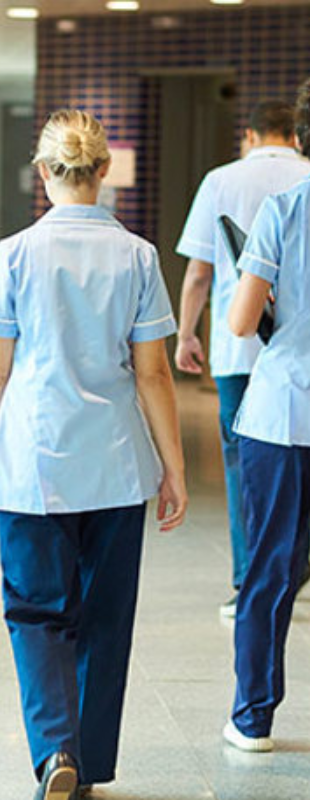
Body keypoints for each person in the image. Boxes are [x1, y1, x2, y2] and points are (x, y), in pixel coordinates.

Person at [0, 110, 187, 800]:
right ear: (104, 171)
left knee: (36, 612)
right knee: (104, 617)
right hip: (116, 465)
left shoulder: (15, 253)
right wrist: (174, 467)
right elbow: (153, 373)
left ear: (44, 172)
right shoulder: (138, 256)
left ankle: (54, 750)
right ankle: (87, 765)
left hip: (34, 459)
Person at [175, 101, 310, 617]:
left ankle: (247, 578)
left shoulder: (221, 180)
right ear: (293, 136)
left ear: (250, 135)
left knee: (243, 466)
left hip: (240, 351)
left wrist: (186, 334)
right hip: (298, 351)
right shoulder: (302, 178)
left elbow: (199, 273)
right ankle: (297, 563)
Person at [223, 78, 310, 754]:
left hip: (283, 417)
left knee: (269, 571)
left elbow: (241, 320)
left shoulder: (285, 209)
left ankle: (253, 718)